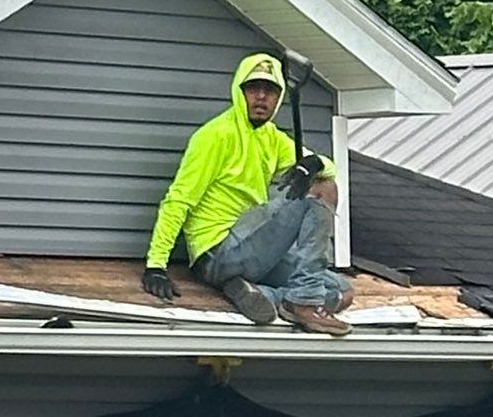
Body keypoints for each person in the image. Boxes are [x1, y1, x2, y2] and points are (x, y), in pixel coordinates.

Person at [143, 52, 348, 334]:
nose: (261, 97)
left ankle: (261, 294)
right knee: (322, 189)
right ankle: (298, 302)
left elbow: (328, 167)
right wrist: (156, 265)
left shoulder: (273, 139)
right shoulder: (216, 135)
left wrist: (311, 164)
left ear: (278, 99)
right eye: (253, 88)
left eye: (270, 90)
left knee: (341, 290)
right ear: (239, 90)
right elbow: (178, 200)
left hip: (253, 254)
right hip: (217, 252)